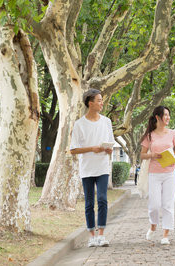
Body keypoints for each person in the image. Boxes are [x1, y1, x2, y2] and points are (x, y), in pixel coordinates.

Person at [70, 89, 114, 247]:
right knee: (89, 203)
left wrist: (108, 149)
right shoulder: (79, 124)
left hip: (102, 167)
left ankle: (101, 235)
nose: (102, 103)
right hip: (87, 169)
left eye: (102, 100)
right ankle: (92, 236)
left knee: (102, 199)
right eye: (99, 100)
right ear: (90, 103)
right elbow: (73, 149)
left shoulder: (106, 122)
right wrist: (92, 149)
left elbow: (111, 142)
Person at [140, 106, 175, 245]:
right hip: (154, 173)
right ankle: (153, 225)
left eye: (168, 115)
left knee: (167, 204)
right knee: (154, 205)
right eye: (165, 115)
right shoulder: (149, 135)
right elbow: (142, 155)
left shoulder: (173, 134)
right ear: (157, 117)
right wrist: (152, 155)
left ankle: (165, 234)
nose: (168, 117)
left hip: (170, 173)